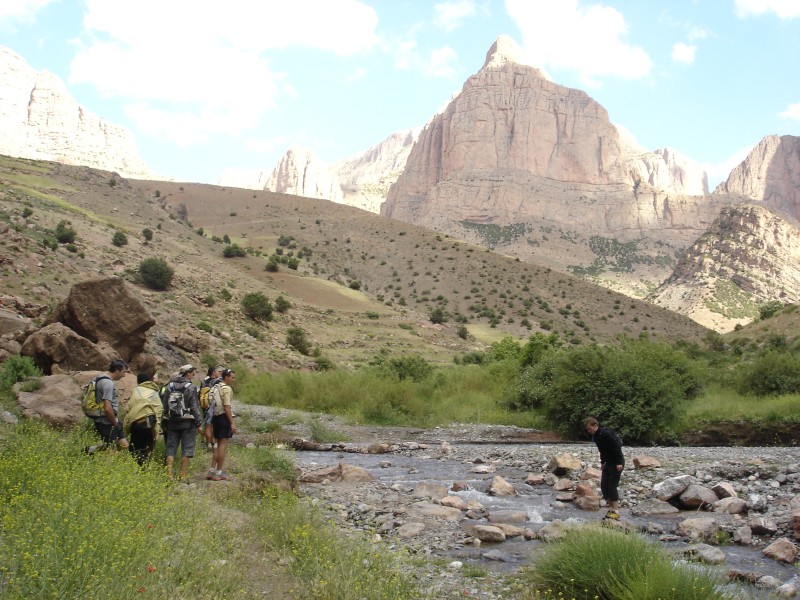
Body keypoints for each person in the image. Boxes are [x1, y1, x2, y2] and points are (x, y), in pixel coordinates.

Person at [161, 364, 201, 479]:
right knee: (187, 448)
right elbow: (194, 407)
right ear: (187, 373)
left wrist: (164, 422)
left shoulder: (170, 386)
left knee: (171, 448)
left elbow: (165, 406)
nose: (193, 375)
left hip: (172, 421)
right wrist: (198, 422)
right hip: (188, 422)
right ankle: (182, 474)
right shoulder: (191, 387)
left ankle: (168, 473)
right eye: (192, 373)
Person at [584, 416, 624, 519]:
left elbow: (617, 446)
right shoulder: (596, 436)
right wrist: (602, 462)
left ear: (595, 425)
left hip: (616, 463)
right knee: (604, 486)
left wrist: (619, 462)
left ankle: (616, 511)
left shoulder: (606, 434)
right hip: (607, 463)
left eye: (589, 428)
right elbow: (602, 450)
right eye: (587, 429)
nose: (588, 431)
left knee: (612, 486)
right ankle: (610, 509)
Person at [124, 372, 163, 465]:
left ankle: (139, 465)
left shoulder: (136, 391)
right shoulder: (154, 392)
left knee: (135, 447)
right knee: (148, 447)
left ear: (138, 381)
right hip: (151, 422)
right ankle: (144, 467)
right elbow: (159, 408)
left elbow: (128, 407)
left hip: (137, 422)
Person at [92, 359, 129, 450]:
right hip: (106, 422)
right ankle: (92, 451)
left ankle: (91, 449)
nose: (124, 375)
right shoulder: (108, 383)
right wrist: (115, 423)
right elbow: (107, 408)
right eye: (123, 372)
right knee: (112, 451)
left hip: (111, 419)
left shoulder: (100, 378)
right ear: (117, 370)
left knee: (124, 445)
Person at [209, 368, 236, 481]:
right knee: (222, 445)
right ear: (226, 377)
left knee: (216, 444)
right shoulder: (227, 389)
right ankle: (219, 472)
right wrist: (232, 423)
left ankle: (211, 471)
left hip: (215, 418)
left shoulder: (215, 386)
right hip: (223, 418)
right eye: (232, 377)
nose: (234, 379)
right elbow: (227, 407)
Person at [199, 365, 224, 453]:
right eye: (217, 371)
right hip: (215, 405)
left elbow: (200, 394)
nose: (218, 373)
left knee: (207, 425)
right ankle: (215, 443)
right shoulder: (218, 381)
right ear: (213, 372)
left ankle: (208, 443)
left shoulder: (203, 381)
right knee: (215, 425)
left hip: (205, 405)